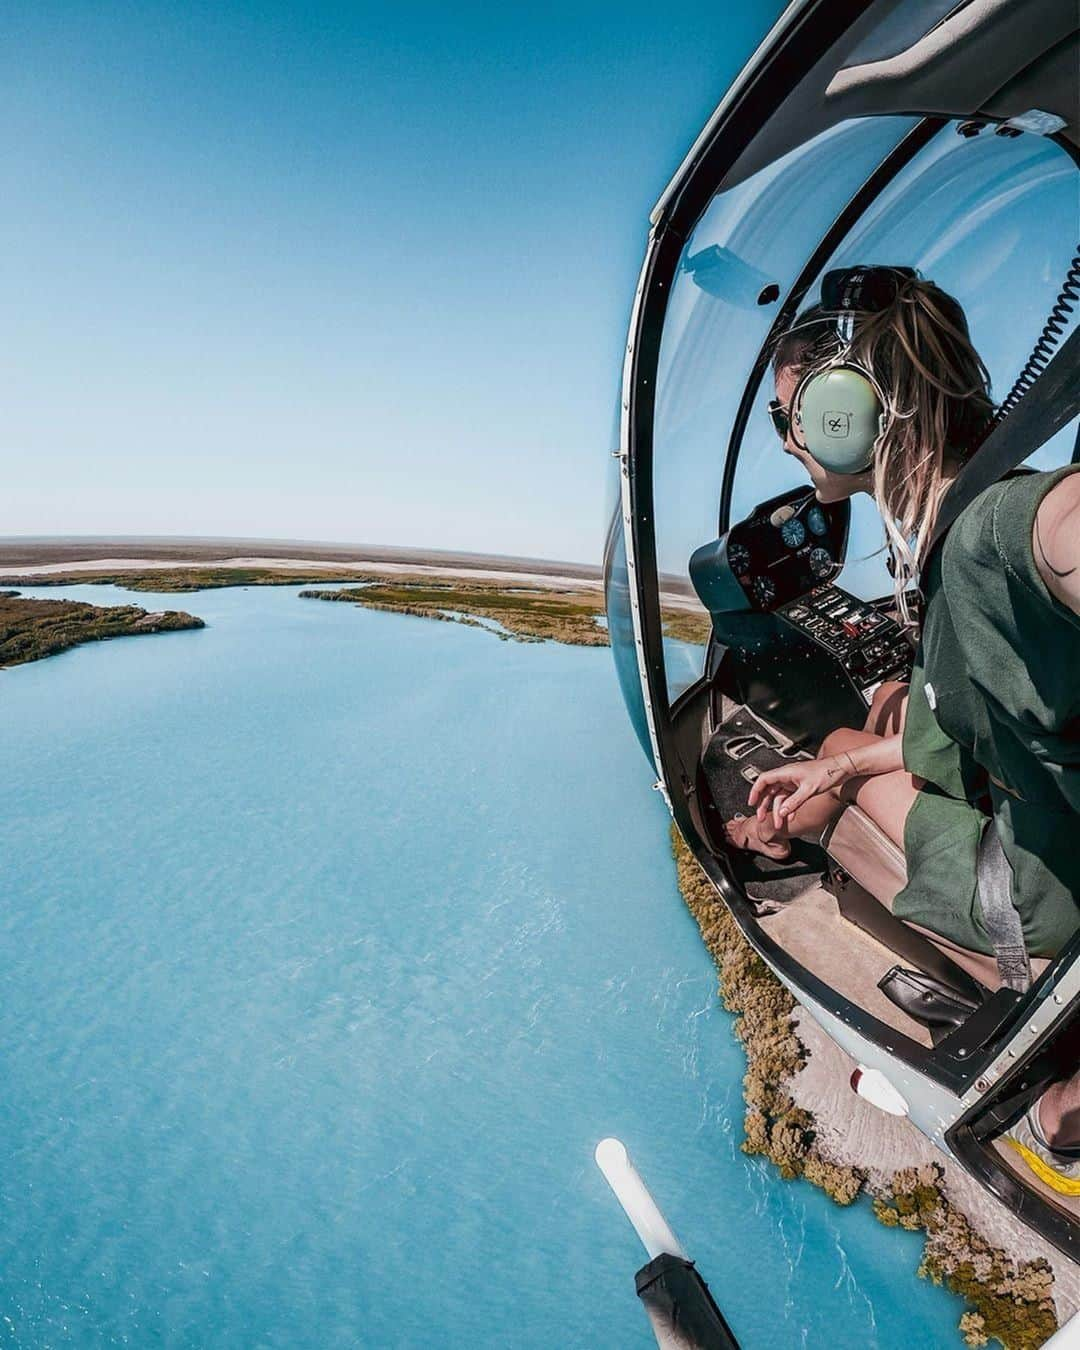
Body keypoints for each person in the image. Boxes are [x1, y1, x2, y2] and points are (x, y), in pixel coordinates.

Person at [723, 266, 1080, 1188]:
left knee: (837, 749)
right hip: (1046, 823)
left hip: (1052, 884)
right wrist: (854, 766)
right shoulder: (974, 515)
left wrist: (841, 767)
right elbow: (961, 720)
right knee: (854, 751)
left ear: (847, 405)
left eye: (787, 413)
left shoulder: (1010, 523)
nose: (786, 437)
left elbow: (1059, 533)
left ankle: (764, 848)